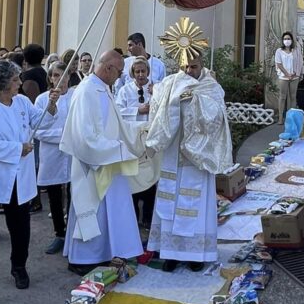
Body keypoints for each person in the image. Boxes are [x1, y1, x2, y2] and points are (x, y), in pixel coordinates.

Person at [0, 60, 59, 304]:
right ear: (4, 82)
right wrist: (17, 149)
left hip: (19, 177)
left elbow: (39, 123)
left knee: (20, 228)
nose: (20, 82)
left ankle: (19, 267)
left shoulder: (21, 102)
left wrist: (51, 106)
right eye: (16, 79)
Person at [60, 50, 149, 273]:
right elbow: (84, 137)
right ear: (108, 68)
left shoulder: (103, 89)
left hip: (108, 162)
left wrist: (141, 132)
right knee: (90, 212)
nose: (120, 76)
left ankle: (102, 254)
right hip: (93, 165)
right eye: (119, 71)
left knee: (105, 213)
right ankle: (81, 260)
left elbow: (116, 123)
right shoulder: (87, 92)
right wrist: (117, 150)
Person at [146, 49, 232, 272]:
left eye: (193, 67)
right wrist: (163, 97)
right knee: (170, 203)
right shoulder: (169, 83)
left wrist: (194, 101)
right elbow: (157, 110)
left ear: (201, 64)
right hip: (174, 151)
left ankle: (196, 254)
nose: (188, 72)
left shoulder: (211, 86)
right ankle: (170, 253)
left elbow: (216, 119)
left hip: (197, 156)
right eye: (184, 67)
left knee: (195, 204)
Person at [34, 61, 75, 255]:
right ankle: (59, 232)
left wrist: (71, 137)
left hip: (74, 152)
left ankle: (75, 231)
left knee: (75, 191)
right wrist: (64, 136)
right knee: (55, 194)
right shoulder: (43, 99)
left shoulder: (77, 96)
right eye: (57, 75)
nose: (61, 79)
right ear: (51, 78)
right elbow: (38, 130)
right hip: (51, 153)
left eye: (65, 75)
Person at [115, 56, 158, 234]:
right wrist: (137, 110)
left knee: (149, 177)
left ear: (148, 71)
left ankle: (148, 216)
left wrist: (156, 95)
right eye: (137, 71)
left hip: (149, 136)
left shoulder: (155, 87)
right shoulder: (125, 91)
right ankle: (133, 215)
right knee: (132, 178)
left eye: (143, 71)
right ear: (132, 73)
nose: (140, 75)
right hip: (131, 139)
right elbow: (118, 111)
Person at [274, 31, 303, 121]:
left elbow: (299, 62)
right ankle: (280, 118)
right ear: (282, 40)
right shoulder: (279, 51)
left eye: (288, 39)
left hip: (294, 77)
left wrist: (294, 73)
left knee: (293, 97)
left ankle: (291, 117)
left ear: (291, 40)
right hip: (283, 77)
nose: (287, 40)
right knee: (282, 97)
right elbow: (279, 64)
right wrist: (287, 74)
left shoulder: (295, 50)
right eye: (285, 39)